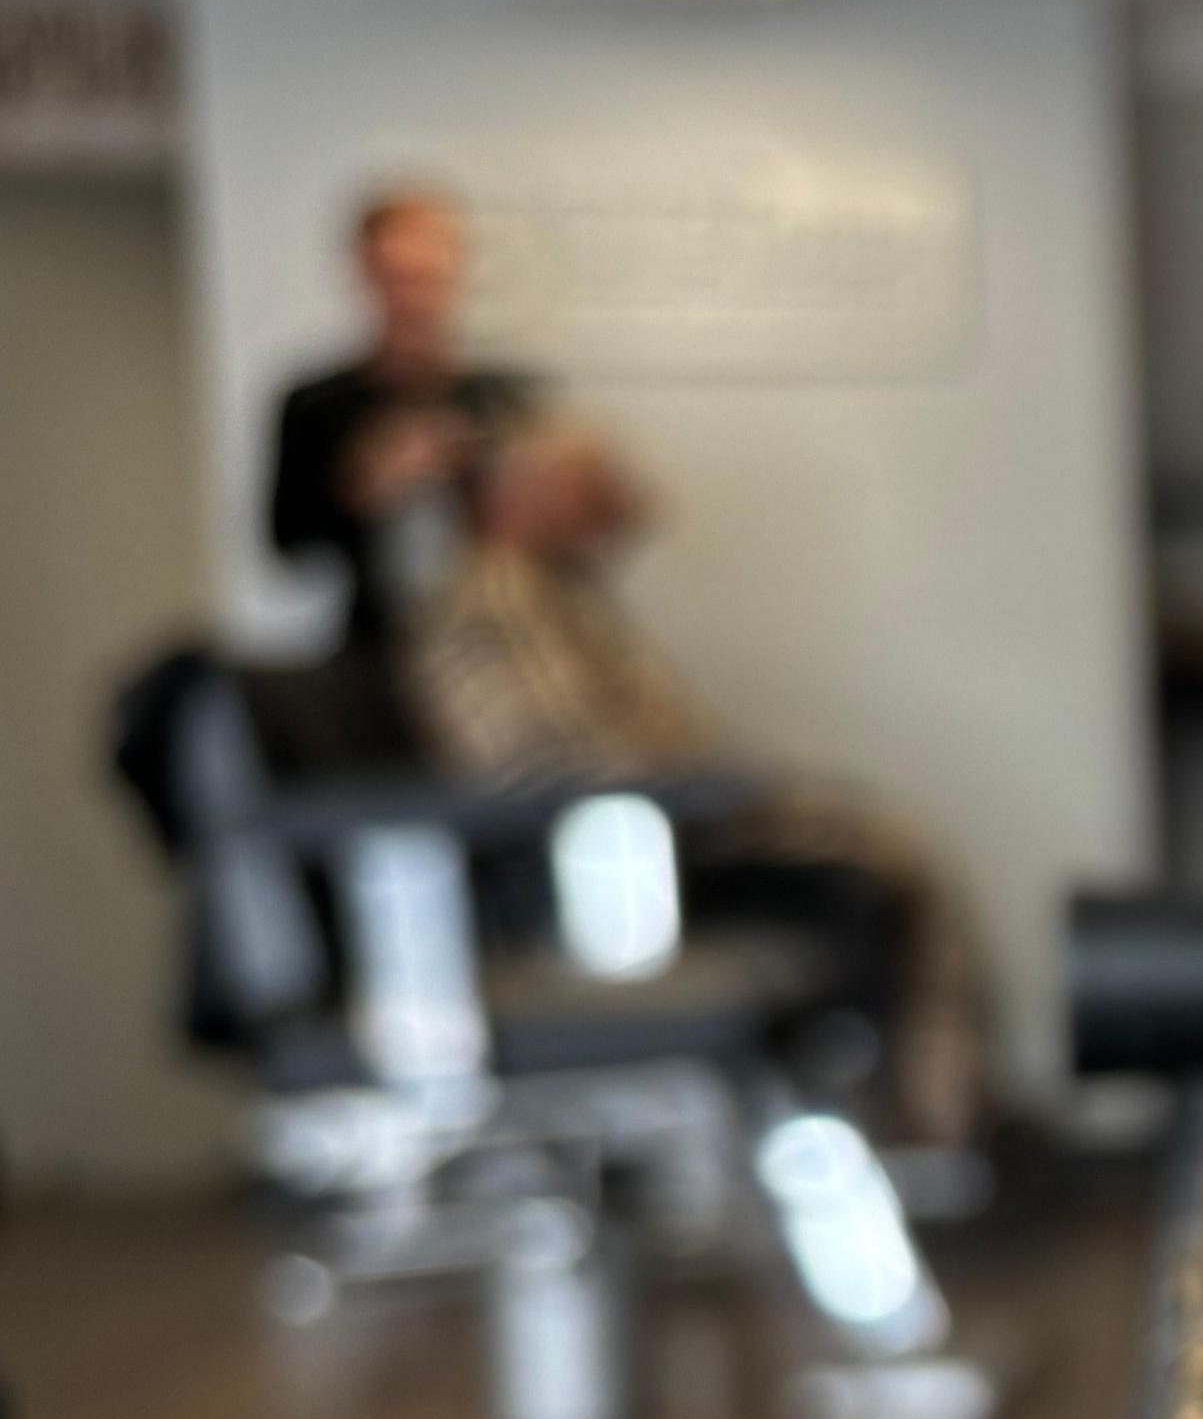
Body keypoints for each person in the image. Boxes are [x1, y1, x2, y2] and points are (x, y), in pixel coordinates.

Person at [398, 415, 992, 1149]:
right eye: (590, 488)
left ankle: (914, 1126)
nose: (620, 504)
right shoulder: (499, 597)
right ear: (523, 497)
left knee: (885, 851)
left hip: (657, 836)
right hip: (605, 874)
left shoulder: (561, 594)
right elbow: (564, 762)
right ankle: (900, 1131)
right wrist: (721, 796)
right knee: (867, 878)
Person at [264, 184, 534, 764]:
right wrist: (366, 486)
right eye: (397, 278)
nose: (414, 298)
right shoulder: (316, 405)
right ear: (364, 277)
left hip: (504, 653)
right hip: (375, 657)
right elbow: (287, 543)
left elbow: (556, 546)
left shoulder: (503, 399)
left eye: (428, 276)